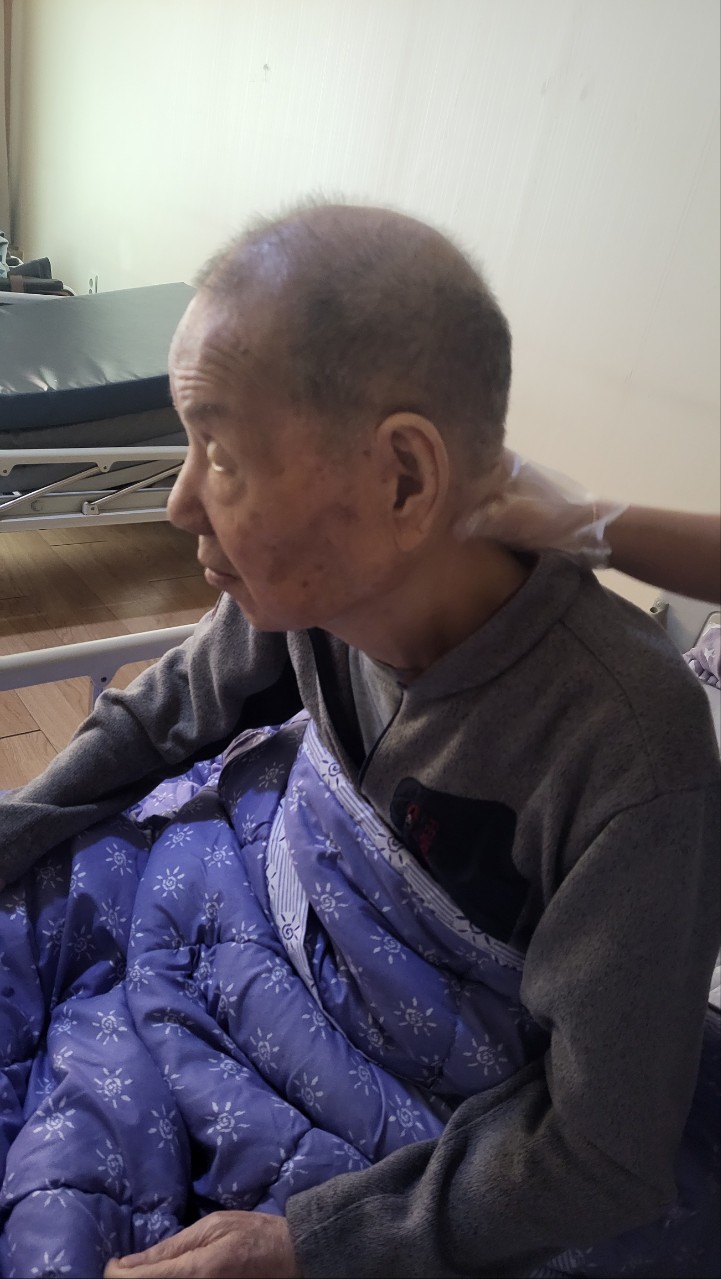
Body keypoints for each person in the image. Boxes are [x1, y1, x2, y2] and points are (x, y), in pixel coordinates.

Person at [0, 204, 719, 1279]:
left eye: (217, 452)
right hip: (246, 895)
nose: (179, 502)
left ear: (402, 481)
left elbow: (600, 1151)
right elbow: (159, 718)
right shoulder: (303, 587)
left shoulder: (627, 751)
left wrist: (315, 1240)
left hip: (432, 1082)